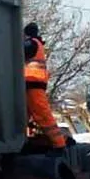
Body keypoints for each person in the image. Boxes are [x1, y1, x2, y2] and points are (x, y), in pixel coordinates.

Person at [23, 22, 66, 151]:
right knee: (28, 115)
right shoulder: (37, 44)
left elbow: (18, 50)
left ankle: (59, 145)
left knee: (43, 115)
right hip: (32, 84)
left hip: (33, 83)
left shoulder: (32, 43)